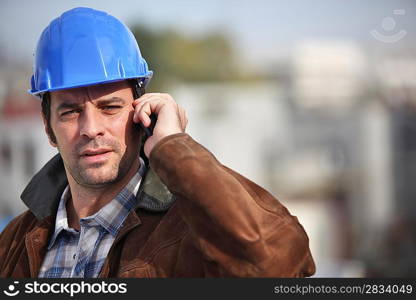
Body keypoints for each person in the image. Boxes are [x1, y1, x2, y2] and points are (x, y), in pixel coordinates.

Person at [0, 7, 315, 278]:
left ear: (141, 112)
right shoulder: (15, 240)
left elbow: (278, 267)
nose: (91, 128)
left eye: (110, 107)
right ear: (48, 127)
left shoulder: (194, 230)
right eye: (70, 112)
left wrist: (173, 146)